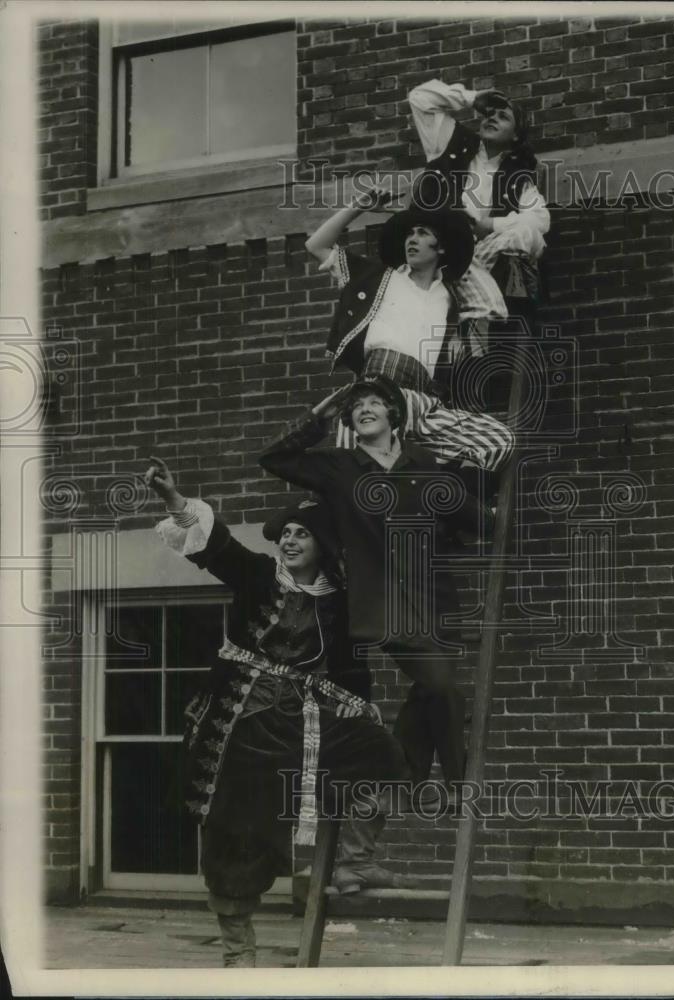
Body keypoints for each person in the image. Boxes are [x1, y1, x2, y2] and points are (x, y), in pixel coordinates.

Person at [144, 458, 410, 965]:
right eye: (284, 532)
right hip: (243, 721)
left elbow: (351, 673)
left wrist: (362, 710)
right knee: (239, 832)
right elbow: (217, 547)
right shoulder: (260, 577)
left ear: (322, 546)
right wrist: (174, 499)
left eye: (301, 534)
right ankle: (238, 951)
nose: (288, 541)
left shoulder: (342, 603)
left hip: (304, 720)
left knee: (381, 751)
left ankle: (354, 861)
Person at [259, 375, 495, 801]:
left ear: (393, 414)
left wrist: (496, 509)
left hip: (435, 601)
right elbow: (274, 457)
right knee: (441, 686)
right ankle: (458, 787)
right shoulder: (338, 467)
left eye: (374, 402)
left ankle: (406, 775)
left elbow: (462, 509)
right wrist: (319, 418)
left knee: (433, 689)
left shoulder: (422, 462)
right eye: (357, 405)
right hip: (383, 606)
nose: (364, 408)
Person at [304, 190, 515, 477]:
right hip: (375, 387)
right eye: (409, 234)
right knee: (358, 474)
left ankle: (450, 500)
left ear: (441, 247)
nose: (411, 239)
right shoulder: (380, 277)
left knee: (497, 441)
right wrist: (359, 207)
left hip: (421, 401)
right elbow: (316, 245)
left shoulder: (450, 296)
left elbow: (493, 307)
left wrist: (464, 235)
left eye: (422, 233)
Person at [407, 77, 551, 304]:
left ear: (515, 135)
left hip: (481, 264)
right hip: (437, 257)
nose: (492, 118)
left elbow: (539, 221)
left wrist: (491, 225)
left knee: (528, 235)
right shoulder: (451, 143)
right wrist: (472, 98)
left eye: (503, 117)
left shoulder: (517, 177)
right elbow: (419, 98)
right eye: (490, 113)